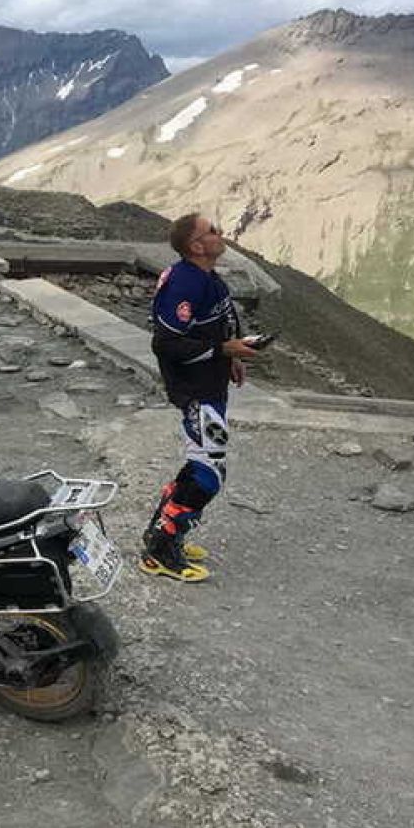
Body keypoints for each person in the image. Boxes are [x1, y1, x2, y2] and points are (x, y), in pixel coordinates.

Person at [141, 213, 262, 582]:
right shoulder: (182, 284)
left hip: (211, 381)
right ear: (195, 246)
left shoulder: (207, 278)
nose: (220, 234)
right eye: (212, 231)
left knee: (200, 461)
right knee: (210, 471)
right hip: (194, 389)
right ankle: (161, 550)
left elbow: (220, 320)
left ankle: (161, 530)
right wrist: (222, 349)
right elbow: (166, 343)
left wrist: (232, 356)